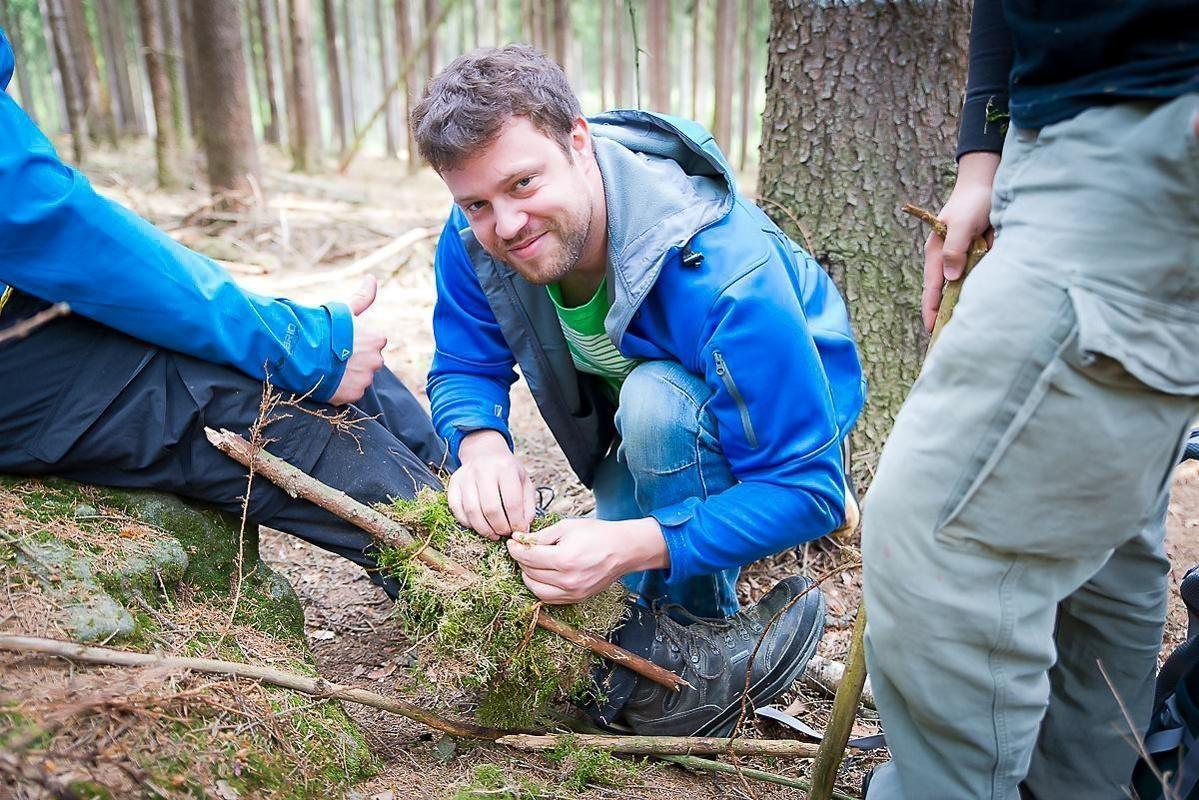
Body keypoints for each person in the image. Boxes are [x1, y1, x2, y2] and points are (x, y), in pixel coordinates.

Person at [410, 45, 866, 735]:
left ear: (577, 141)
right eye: (477, 203)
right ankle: (663, 609)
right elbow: (463, 361)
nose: (505, 224)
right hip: (633, 408)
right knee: (617, 591)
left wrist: (630, 543)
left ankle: (709, 652)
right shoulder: (477, 235)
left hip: (781, 410)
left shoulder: (723, 270)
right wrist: (480, 446)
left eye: (523, 184)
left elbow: (809, 492)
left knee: (656, 413)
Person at [860, 2, 1199, 797]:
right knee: (1097, 549)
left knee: (934, 549)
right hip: (1049, 138)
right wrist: (983, 160)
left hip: (1144, 140)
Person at [0, 26, 447, 597]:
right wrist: (301, 346)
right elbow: (56, 229)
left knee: (361, 380)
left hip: (25, 310)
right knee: (268, 410)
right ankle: (500, 605)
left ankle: (486, 514)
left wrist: (306, 341)